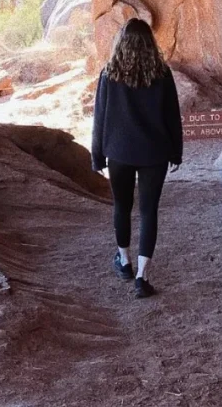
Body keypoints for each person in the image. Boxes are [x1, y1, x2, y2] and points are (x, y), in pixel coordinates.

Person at [90, 17, 183, 298]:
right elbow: (172, 118)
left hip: (118, 151)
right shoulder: (162, 74)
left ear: (121, 43)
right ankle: (142, 277)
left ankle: (124, 261)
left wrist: (97, 156)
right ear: (149, 44)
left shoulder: (109, 74)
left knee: (122, 205)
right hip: (154, 152)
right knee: (148, 211)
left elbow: (100, 118)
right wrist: (175, 153)